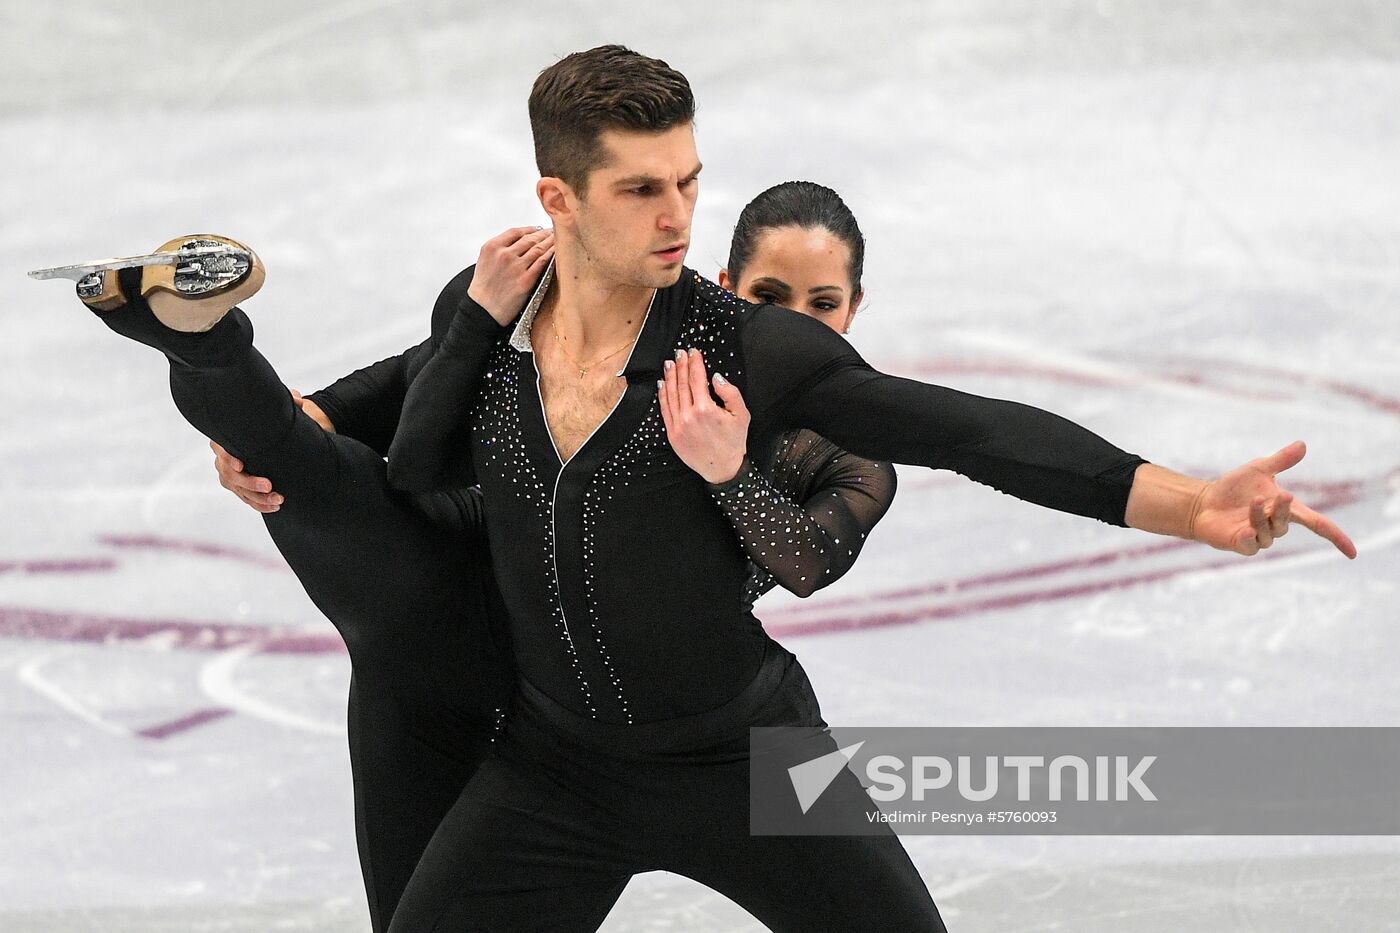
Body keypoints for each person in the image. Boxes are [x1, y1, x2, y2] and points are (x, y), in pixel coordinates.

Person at [46, 45, 1353, 933]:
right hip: (552, 764)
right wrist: (307, 421)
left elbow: (970, 428)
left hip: (753, 755)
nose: (677, 214)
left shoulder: (753, 349)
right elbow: (397, 417)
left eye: (688, 181)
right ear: (558, 195)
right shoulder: (492, 316)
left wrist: (1192, 504)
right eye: (641, 188)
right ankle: (188, 332)